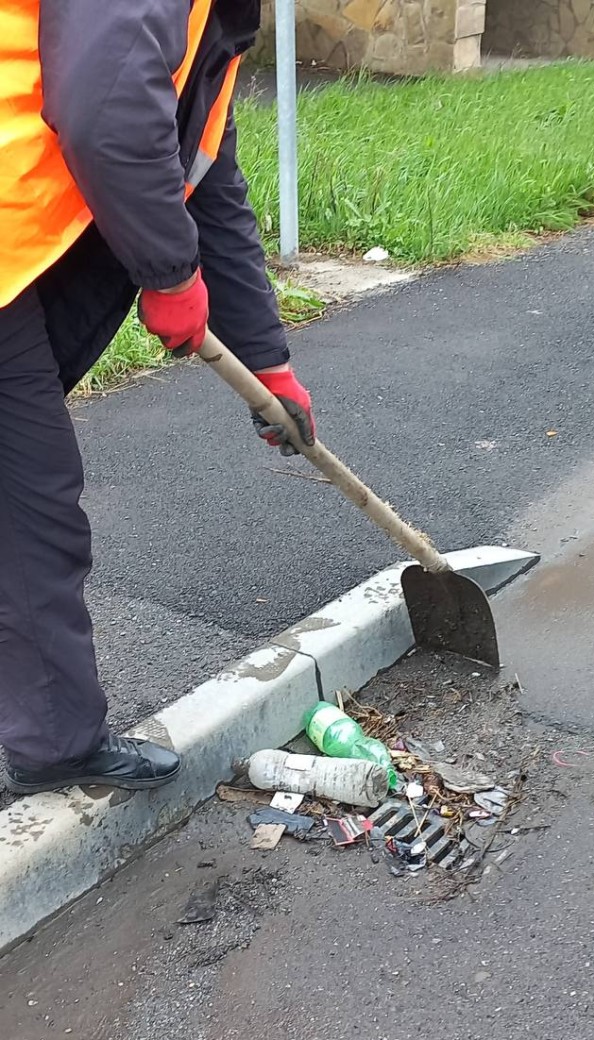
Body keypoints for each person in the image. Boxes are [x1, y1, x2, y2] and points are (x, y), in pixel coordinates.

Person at [0, 0, 315, 795]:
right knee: (32, 506)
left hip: (20, 254)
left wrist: (268, 364)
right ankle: (55, 743)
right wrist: (169, 275)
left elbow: (210, 182)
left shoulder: (213, 26)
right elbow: (102, 110)